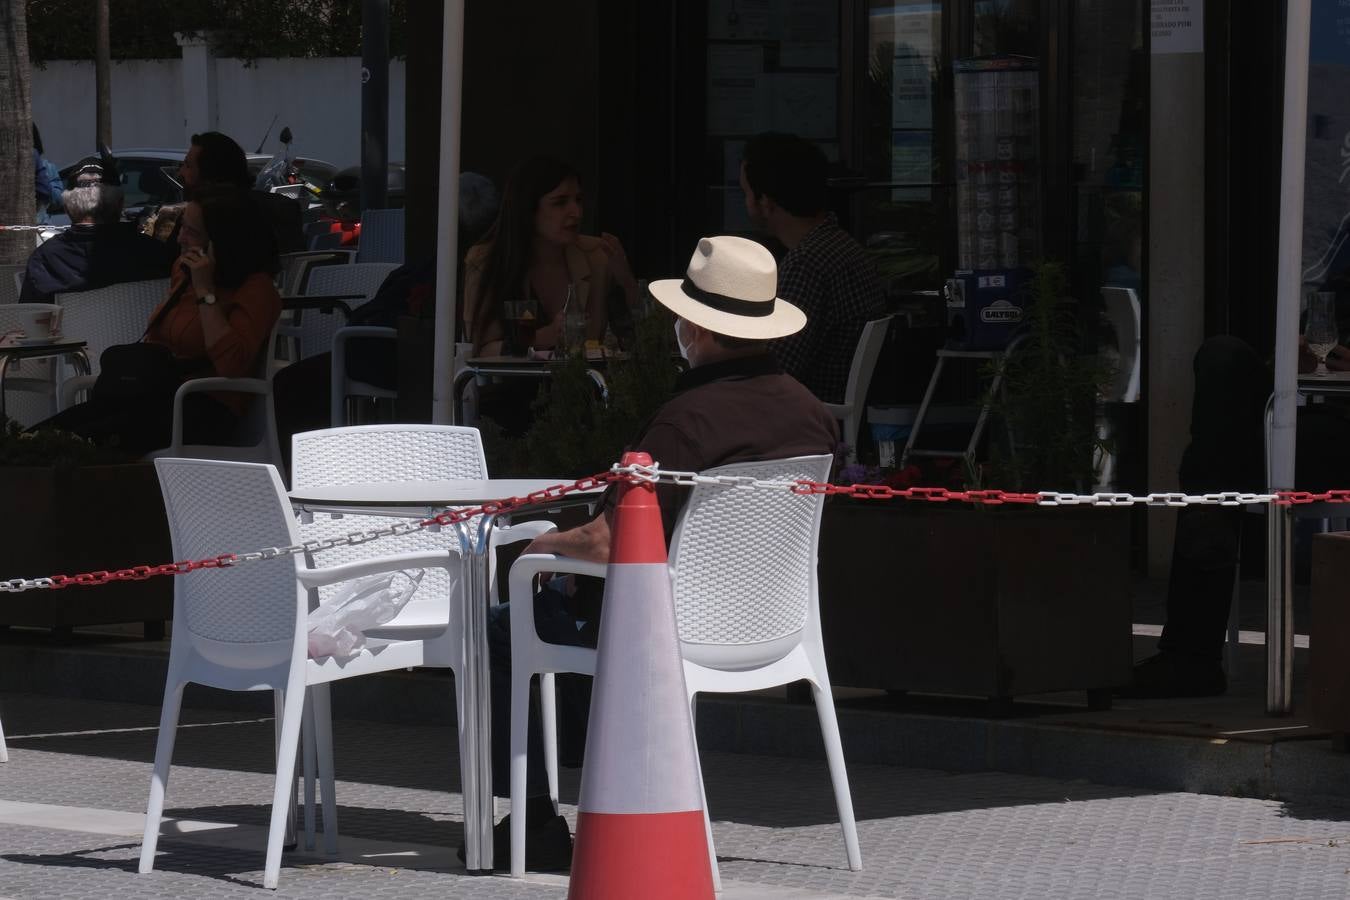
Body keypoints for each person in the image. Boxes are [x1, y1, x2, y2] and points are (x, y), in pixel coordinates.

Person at [477, 235, 839, 870]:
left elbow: (612, 540)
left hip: (670, 632)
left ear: (695, 326)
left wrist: (538, 548)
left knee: (510, 623)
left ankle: (536, 817)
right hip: (774, 627)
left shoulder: (686, 420)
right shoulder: (812, 415)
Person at [1124, 333, 1350, 697]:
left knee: (1212, 461)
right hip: (1297, 416)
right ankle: (1209, 503)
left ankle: (1192, 656)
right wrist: (1286, 365)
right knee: (1223, 356)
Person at [32, 186, 282, 455]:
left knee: (71, 445)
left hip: (204, 405)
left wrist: (205, 292)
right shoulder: (183, 271)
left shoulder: (256, 289)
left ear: (221, 241)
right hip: (155, 396)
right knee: (37, 438)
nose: (181, 238)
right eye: (182, 227)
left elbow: (232, 365)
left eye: (192, 232)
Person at [739, 132, 885, 405]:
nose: (745, 203)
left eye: (746, 194)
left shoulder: (807, 265)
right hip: (833, 410)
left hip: (807, 413)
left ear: (766, 202)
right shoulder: (842, 246)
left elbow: (774, 368)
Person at [463, 156, 636, 357]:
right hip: (513, 386)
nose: (576, 212)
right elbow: (480, 351)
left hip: (581, 384)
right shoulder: (486, 260)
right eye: (560, 202)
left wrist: (626, 279)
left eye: (578, 200)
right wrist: (544, 337)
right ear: (528, 208)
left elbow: (642, 335)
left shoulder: (597, 255)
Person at [20, 183, 177, 301]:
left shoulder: (46, 257)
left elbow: (31, 310)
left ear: (69, 211)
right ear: (119, 208)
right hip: (141, 337)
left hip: (65, 341)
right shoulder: (150, 251)